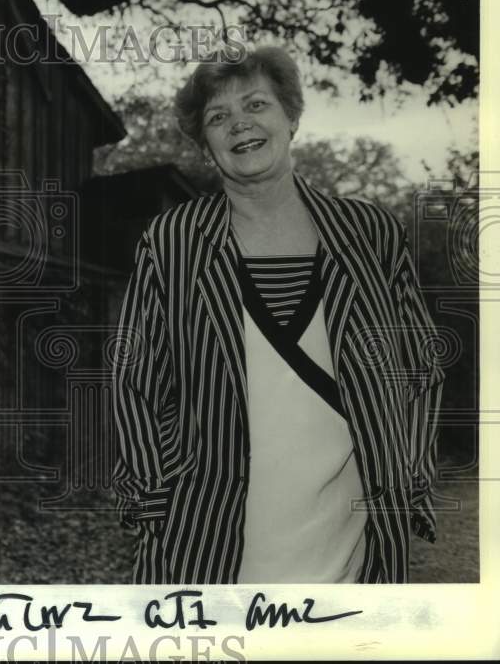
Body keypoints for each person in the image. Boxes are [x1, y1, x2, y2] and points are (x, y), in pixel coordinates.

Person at [111, 45, 443, 584]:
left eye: (256, 104)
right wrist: (153, 495)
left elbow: (419, 367)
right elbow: (137, 378)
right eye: (218, 117)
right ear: (205, 146)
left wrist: (406, 479)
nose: (239, 123)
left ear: (291, 116)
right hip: (207, 545)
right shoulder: (172, 242)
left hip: (350, 551)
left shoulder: (371, 235)